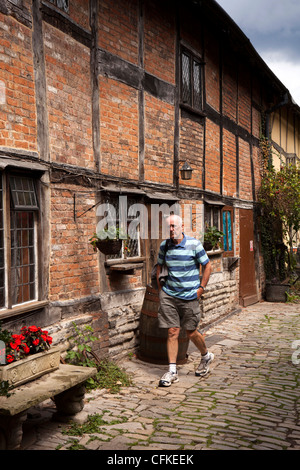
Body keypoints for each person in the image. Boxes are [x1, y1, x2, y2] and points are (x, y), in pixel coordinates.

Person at [156, 214, 214, 387]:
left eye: (174, 226)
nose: (172, 230)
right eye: (169, 227)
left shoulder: (194, 245)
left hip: (190, 296)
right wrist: (161, 291)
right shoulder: (164, 245)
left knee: (190, 331)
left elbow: (207, 265)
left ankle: (205, 355)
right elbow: (159, 266)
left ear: (182, 227)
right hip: (169, 295)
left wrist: (201, 288)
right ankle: (172, 371)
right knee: (172, 331)